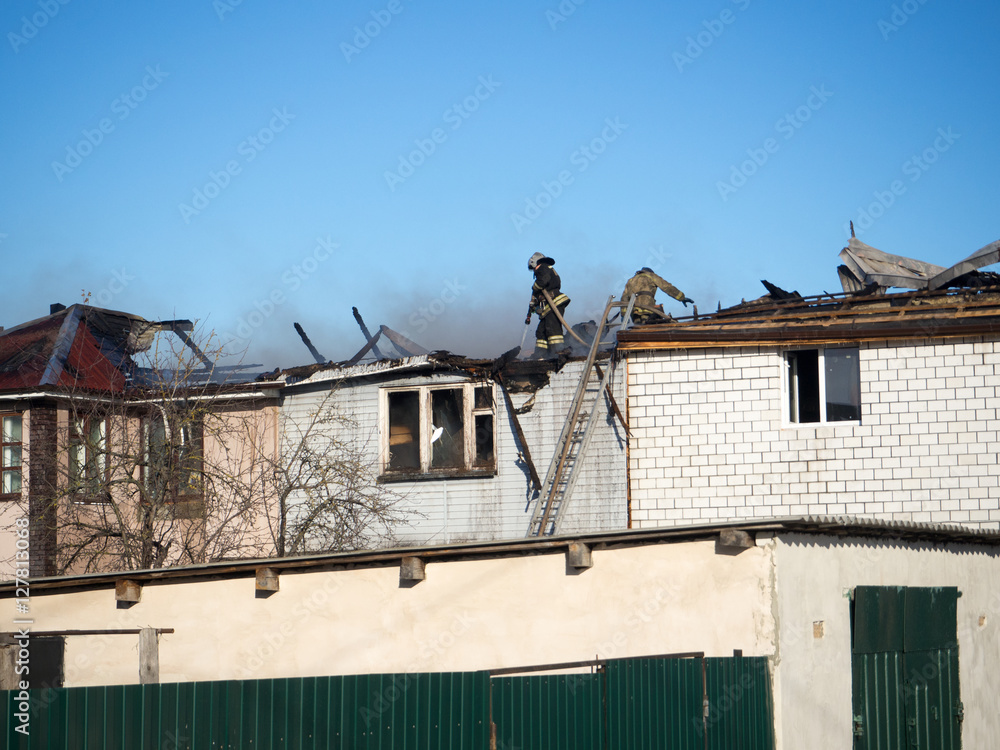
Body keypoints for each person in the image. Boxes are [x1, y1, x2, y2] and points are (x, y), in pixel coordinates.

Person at [525, 252, 570, 357]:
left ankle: (557, 353)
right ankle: (540, 355)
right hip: (548, 306)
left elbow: (543, 282)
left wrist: (534, 287)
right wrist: (533, 305)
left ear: (535, 263)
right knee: (541, 332)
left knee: (552, 329)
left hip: (554, 303)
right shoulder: (547, 269)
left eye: (533, 268)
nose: (534, 271)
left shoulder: (543, 267)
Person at [621, 267, 694, 324]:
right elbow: (667, 287)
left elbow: (624, 298)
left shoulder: (631, 280)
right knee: (647, 330)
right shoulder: (651, 276)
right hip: (647, 309)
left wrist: (623, 314)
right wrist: (682, 298)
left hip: (634, 312)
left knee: (638, 330)